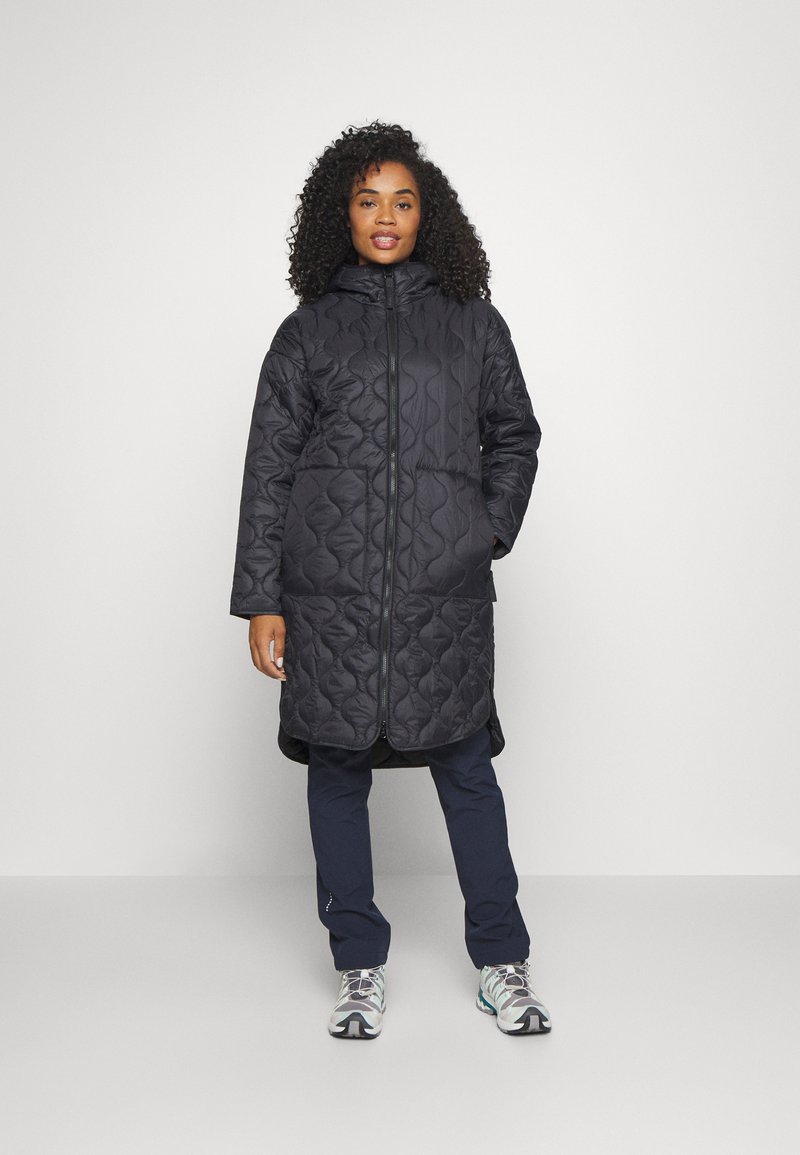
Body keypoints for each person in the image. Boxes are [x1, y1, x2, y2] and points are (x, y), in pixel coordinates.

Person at [230, 121, 551, 1040]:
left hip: (442, 593)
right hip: (326, 599)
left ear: (427, 215)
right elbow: (268, 470)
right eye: (368, 200)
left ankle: (501, 961)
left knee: (467, 771)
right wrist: (262, 598)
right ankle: (358, 966)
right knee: (336, 772)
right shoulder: (306, 333)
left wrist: (486, 529)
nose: (385, 216)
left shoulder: (474, 323)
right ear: (341, 214)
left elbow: (515, 434)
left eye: (403, 201)